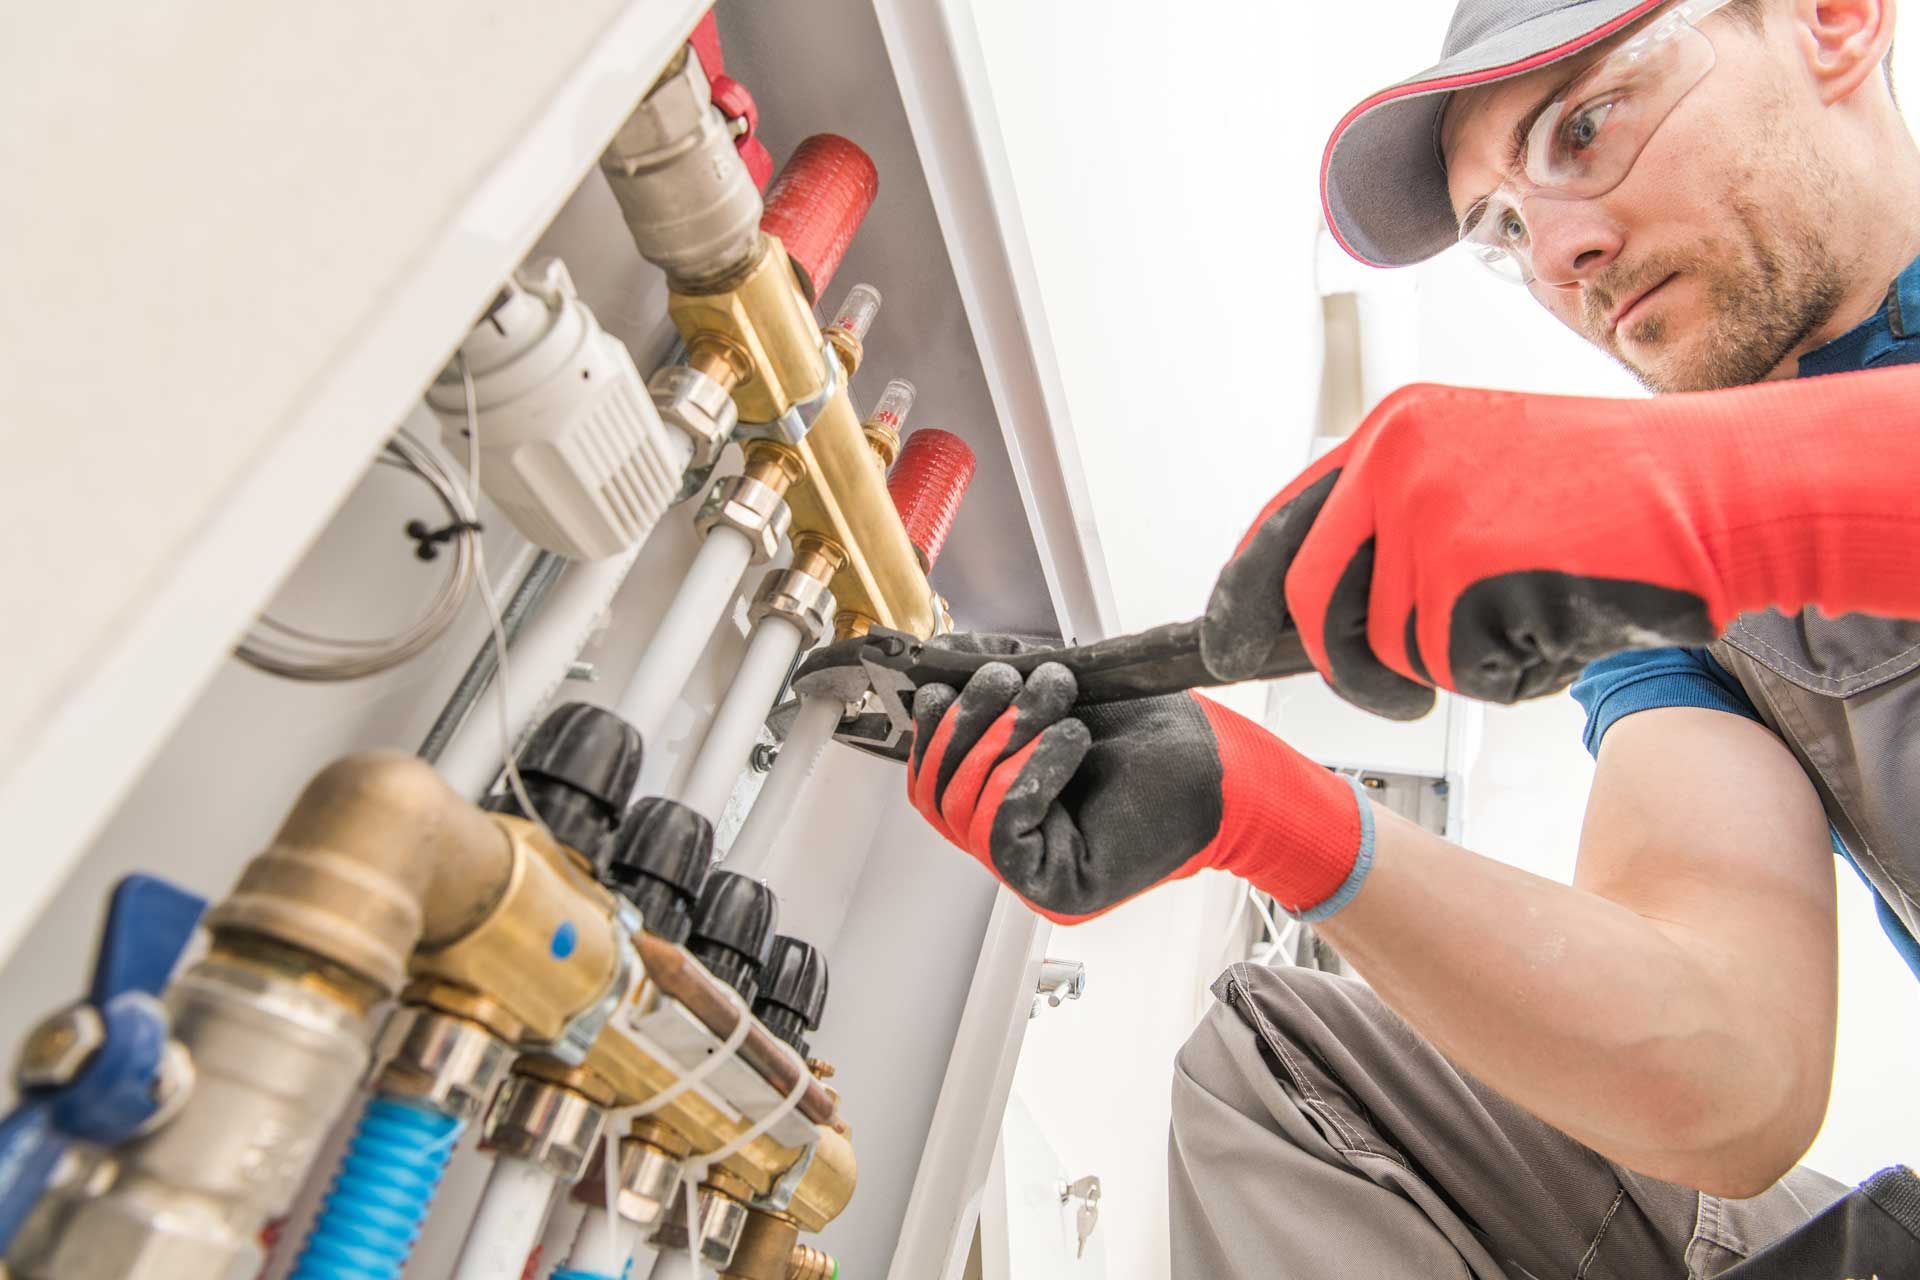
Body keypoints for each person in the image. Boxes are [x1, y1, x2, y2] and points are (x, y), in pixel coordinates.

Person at [906, 0, 1920, 1273]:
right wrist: (1275, 813)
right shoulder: (1678, 624)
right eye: (1502, 227)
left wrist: (1703, 503)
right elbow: (1731, 1082)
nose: (1558, 258)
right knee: (1279, 1067)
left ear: (1835, 20)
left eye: (1585, 126)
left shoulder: (1672, 537)